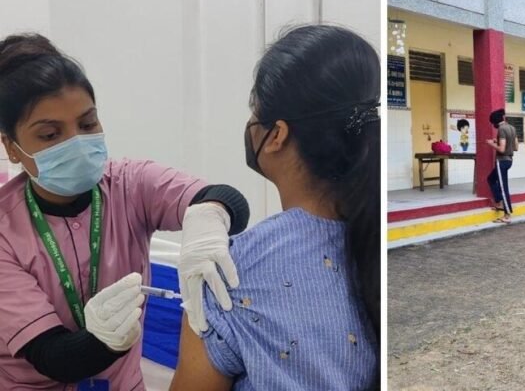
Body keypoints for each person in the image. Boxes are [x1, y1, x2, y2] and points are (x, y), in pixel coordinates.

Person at [0, 34, 250, 390]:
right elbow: (53, 357)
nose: (76, 143)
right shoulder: (5, 231)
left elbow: (225, 197)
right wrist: (103, 339)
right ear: (12, 147)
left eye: (87, 124)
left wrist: (209, 217)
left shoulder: (128, 184)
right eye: (51, 134)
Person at [171, 25, 380, 390]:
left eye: (256, 112)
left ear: (277, 135)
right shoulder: (374, 233)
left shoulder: (231, 272)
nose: (251, 125)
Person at [486, 109, 516, 224]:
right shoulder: (512, 128)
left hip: (502, 161)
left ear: (495, 122)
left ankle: (507, 215)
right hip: (509, 160)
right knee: (491, 179)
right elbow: (516, 147)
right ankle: (498, 203)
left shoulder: (501, 129)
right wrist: (497, 141)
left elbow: (502, 149)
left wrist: (491, 144)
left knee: (504, 188)